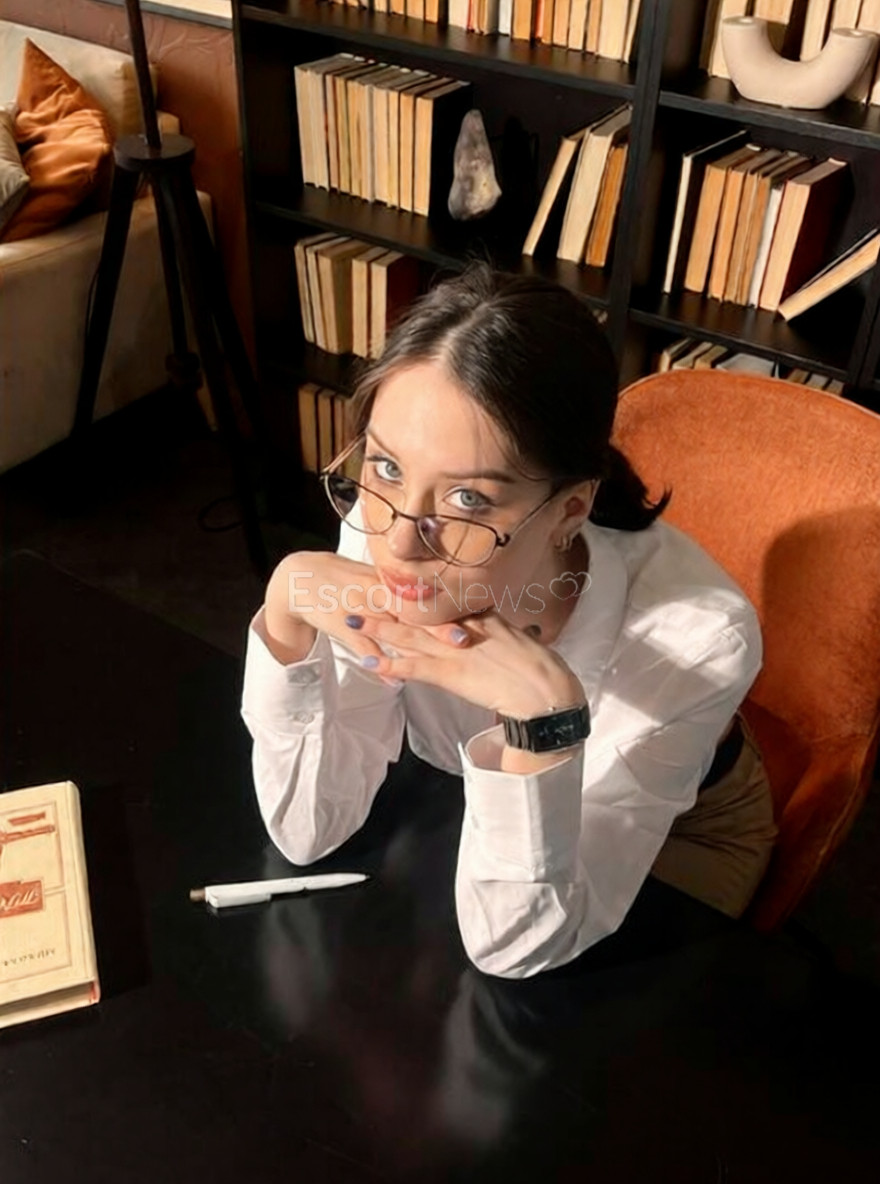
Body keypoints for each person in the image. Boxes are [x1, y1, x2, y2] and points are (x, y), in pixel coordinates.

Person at [241, 264, 777, 979]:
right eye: (388, 467)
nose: (399, 542)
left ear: (570, 509)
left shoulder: (698, 639)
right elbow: (307, 828)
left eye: (467, 499)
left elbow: (514, 946)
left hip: (680, 830)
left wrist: (545, 727)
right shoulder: (385, 524)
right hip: (463, 788)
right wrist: (285, 613)